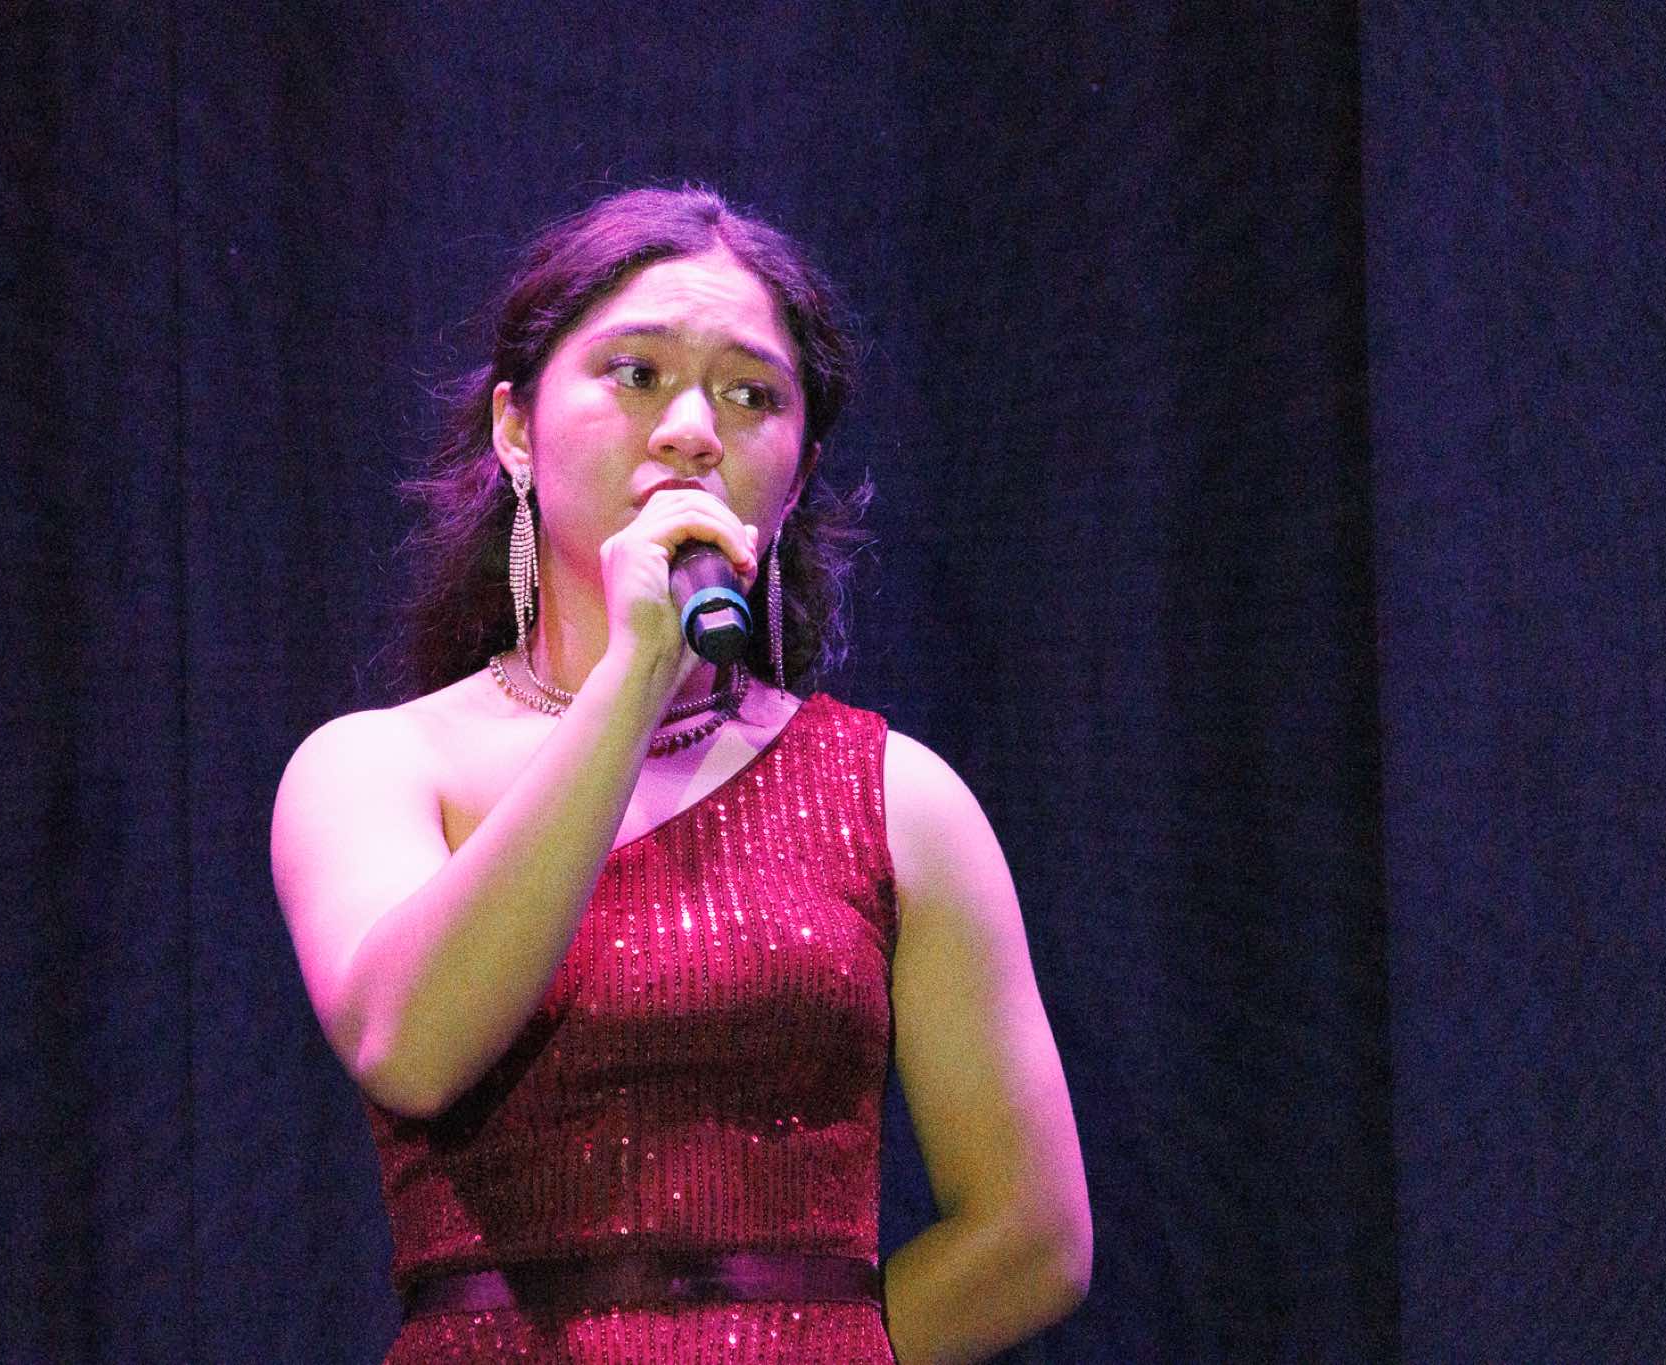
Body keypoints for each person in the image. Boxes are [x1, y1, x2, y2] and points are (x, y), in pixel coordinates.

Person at [271, 185, 1090, 1364]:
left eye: (751, 394)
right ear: (515, 430)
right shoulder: (376, 766)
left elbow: (1030, 1236)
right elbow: (412, 1044)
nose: (693, 429)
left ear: (797, 474)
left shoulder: (894, 796)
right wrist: (635, 673)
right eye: (637, 374)